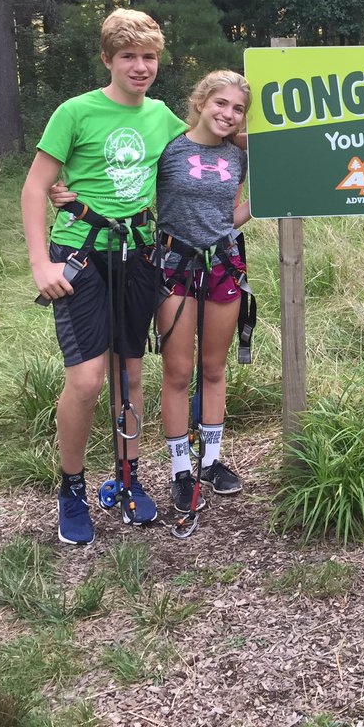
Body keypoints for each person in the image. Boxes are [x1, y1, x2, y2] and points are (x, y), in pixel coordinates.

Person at [21, 9, 186, 545]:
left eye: (149, 57)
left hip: (138, 255)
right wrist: (40, 264)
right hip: (82, 256)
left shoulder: (162, 116)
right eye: (128, 57)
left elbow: (208, 146)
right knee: (88, 380)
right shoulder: (76, 112)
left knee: (130, 377)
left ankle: (127, 480)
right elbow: (35, 187)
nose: (140, 67)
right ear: (108, 59)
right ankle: (71, 488)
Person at [154, 70, 252, 515]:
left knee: (214, 368)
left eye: (237, 109)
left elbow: (231, 214)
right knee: (178, 371)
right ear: (200, 101)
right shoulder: (169, 147)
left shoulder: (240, 156)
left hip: (223, 265)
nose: (228, 115)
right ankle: (180, 470)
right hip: (174, 264)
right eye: (221, 104)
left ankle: (211, 461)